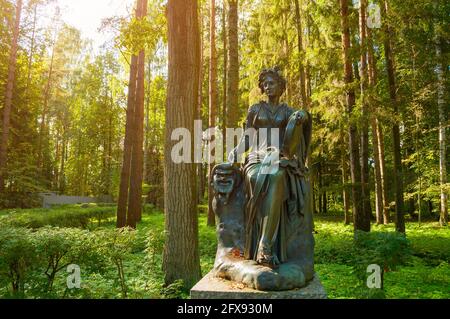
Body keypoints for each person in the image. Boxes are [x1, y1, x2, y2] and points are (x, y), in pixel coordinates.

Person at [229, 67, 312, 269]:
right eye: (264, 84)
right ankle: (263, 244)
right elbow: (247, 137)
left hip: (278, 158)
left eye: (271, 82)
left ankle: (264, 245)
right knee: (262, 176)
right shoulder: (255, 110)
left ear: (281, 86)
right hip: (256, 158)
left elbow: (303, 124)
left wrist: (303, 115)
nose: (267, 86)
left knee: (276, 175)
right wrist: (236, 151)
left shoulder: (288, 112)